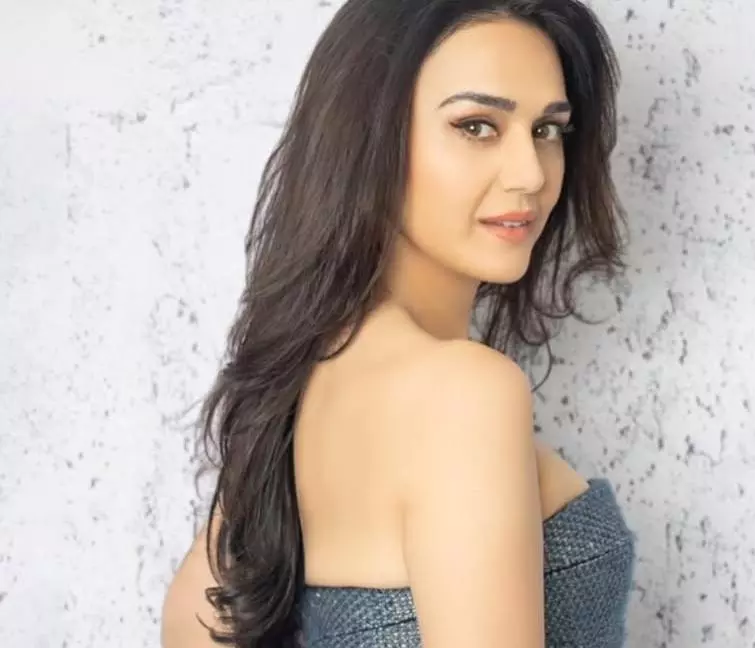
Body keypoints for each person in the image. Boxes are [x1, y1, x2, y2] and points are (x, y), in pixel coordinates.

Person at [160, 0, 633, 646]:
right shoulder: (463, 392)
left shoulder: (296, 385)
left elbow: (193, 625)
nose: (531, 173)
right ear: (366, 138)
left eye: (548, 129)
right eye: (476, 126)